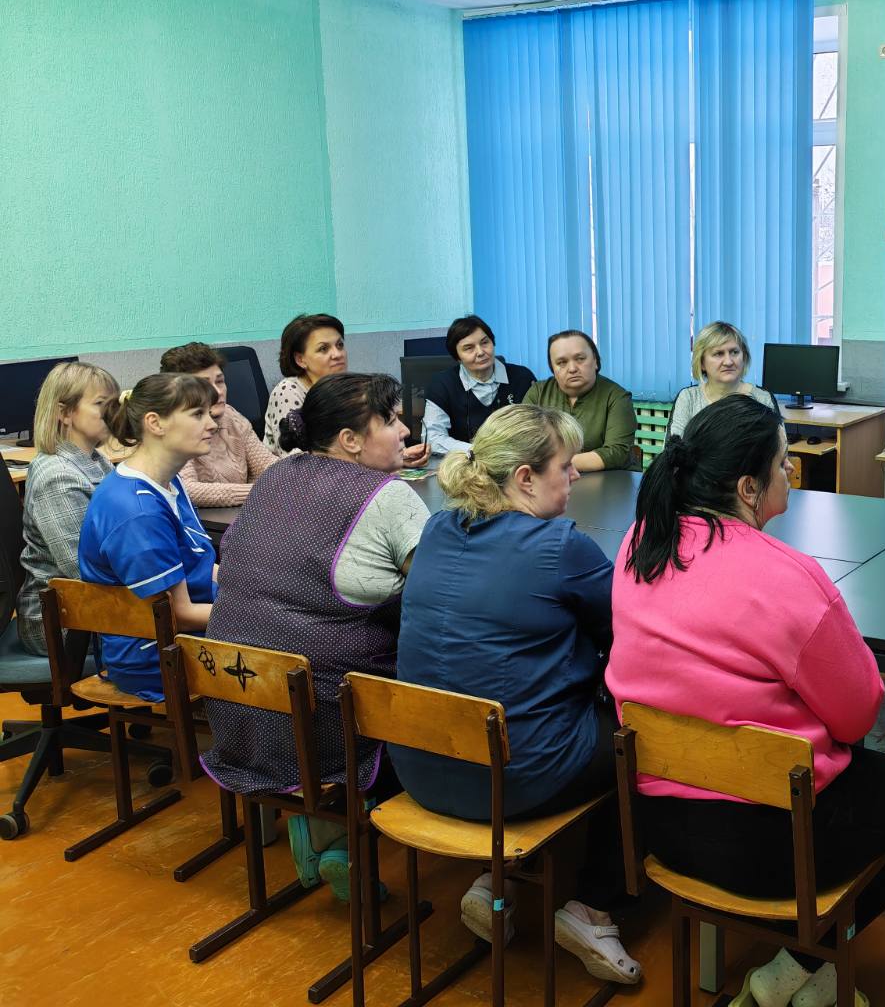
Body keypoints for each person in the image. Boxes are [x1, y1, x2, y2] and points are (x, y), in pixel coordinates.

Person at [608, 395, 885, 1007]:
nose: (790, 469)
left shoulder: (641, 542)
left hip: (657, 821)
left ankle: (798, 968)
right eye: (783, 461)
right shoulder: (788, 574)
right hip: (770, 847)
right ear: (748, 487)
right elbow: (858, 714)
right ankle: (802, 964)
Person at [395, 404, 640, 983]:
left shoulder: (437, 528)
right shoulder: (560, 546)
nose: (574, 474)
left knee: (508, 704)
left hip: (420, 766)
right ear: (525, 477)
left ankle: (495, 881)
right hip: (513, 780)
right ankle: (592, 907)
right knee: (636, 740)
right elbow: (627, 630)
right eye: (564, 465)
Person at [200, 373, 431, 900]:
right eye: (390, 420)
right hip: (322, 718)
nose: (404, 431)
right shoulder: (388, 496)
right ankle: (340, 828)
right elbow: (435, 601)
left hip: (233, 699)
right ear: (349, 440)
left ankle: (322, 826)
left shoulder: (275, 478)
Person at [77, 374, 219, 700]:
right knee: (304, 644)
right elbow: (178, 614)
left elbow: (197, 564)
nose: (212, 424)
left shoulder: (167, 480)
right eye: (198, 414)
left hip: (188, 632)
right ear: (155, 423)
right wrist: (257, 615)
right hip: (155, 655)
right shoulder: (138, 511)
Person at [15, 362, 120, 656]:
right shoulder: (58, 477)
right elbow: (83, 570)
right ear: (65, 413)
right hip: (58, 622)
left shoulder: (97, 460)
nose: (114, 413)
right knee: (188, 627)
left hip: (89, 604)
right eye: (101, 404)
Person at [159, 341, 277, 507]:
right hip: (205, 519)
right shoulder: (176, 427)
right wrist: (259, 490)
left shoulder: (230, 415)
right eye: (205, 385)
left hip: (242, 511)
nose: (218, 391)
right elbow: (187, 490)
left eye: (220, 381)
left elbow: (268, 466)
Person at [421, 314, 536, 454]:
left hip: (515, 460)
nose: (480, 352)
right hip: (464, 461)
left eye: (484, 342)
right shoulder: (442, 385)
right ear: (457, 357)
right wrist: (479, 452)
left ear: (493, 343)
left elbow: (538, 428)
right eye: (469, 348)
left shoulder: (522, 377)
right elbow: (432, 439)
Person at [522, 330, 636, 471]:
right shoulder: (538, 393)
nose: (572, 369)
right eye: (561, 362)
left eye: (580, 359)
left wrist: (553, 463)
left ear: (595, 361)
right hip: (547, 479)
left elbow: (618, 452)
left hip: (606, 478)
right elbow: (522, 443)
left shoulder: (616, 397)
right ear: (553, 369)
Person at [668, 320, 777, 436]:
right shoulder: (689, 398)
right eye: (718, 354)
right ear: (702, 363)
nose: (728, 362)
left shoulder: (762, 399)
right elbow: (674, 445)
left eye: (734, 352)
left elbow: (777, 445)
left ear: (744, 357)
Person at [264, 313, 348, 456]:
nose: (337, 354)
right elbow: (294, 458)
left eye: (340, 345)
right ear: (300, 359)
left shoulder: (347, 388)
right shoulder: (287, 391)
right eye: (323, 349)